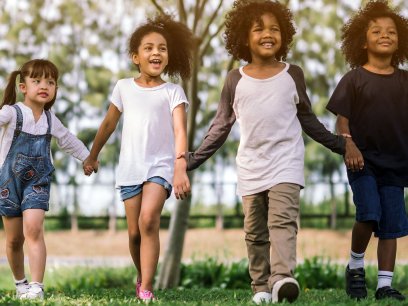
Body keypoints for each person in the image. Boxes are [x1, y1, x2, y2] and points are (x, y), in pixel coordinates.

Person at [178, 0, 346, 304]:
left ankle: (282, 278)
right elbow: (221, 125)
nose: (268, 34)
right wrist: (193, 159)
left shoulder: (292, 74)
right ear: (244, 37)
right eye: (259, 29)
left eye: (274, 28)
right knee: (255, 232)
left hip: (286, 163)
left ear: (284, 36)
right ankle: (261, 287)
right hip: (251, 166)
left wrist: (340, 144)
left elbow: (307, 118)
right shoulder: (235, 79)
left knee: (282, 222)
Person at [82, 14, 193, 302]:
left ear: (169, 56)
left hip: (160, 166)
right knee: (134, 234)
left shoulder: (173, 91)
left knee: (148, 221)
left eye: (162, 48)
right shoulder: (123, 87)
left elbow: (180, 130)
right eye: (149, 48)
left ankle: (146, 289)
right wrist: (92, 156)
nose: (156, 52)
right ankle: (140, 277)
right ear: (136, 57)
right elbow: (108, 124)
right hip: (130, 167)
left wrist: (180, 164)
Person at [326, 0, 408, 302]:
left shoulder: (405, 80)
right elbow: (341, 119)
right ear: (363, 41)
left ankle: (384, 285)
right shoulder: (354, 79)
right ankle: (356, 266)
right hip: (362, 162)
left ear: (400, 40)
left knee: (391, 226)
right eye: (377, 31)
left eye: (391, 32)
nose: (385, 35)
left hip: (397, 164)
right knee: (369, 214)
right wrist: (349, 143)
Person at [0, 59, 92, 300]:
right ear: (23, 87)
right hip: (8, 183)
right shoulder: (11, 112)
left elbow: (68, 140)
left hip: (37, 183)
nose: (44, 86)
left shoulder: (51, 119)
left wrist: (87, 157)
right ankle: (21, 284)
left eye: (50, 82)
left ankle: (37, 286)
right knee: (14, 239)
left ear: (55, 89)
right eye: (37, 80)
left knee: (34, 229)